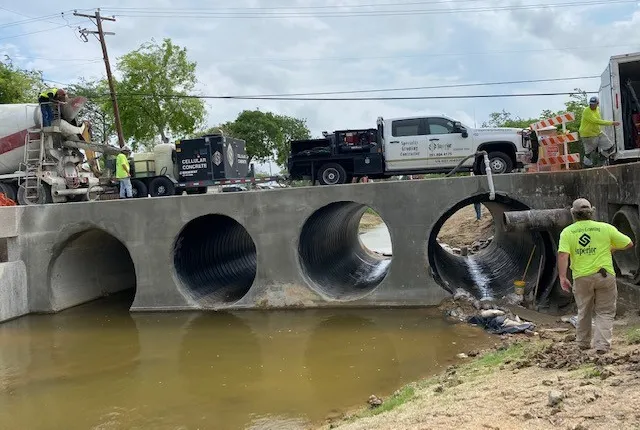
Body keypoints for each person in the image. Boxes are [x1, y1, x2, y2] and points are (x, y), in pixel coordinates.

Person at [557, 198, 633, 353]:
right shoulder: (605, 228)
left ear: (573, 214)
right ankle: (602, 345)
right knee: (605, 311)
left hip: (581, 278)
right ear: (591, 212)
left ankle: (583, 343)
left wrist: (562, 277)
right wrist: (611, 248)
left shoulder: (567, 232)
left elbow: (563, 255)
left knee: (584, 310)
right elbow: (628, 243)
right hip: (604, 276)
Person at [579, 96, 620, 167]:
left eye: (594, 104)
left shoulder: (597, 109)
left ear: (597, 104)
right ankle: (586, 165)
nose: (592, 106)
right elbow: (596, 121)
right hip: (588, 134)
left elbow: (598, 120)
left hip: (597, 133)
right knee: (590, 153)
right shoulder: (586, 111)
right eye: (591, 104)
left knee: (610, 147)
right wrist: (611, 123)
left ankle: (601, 159)